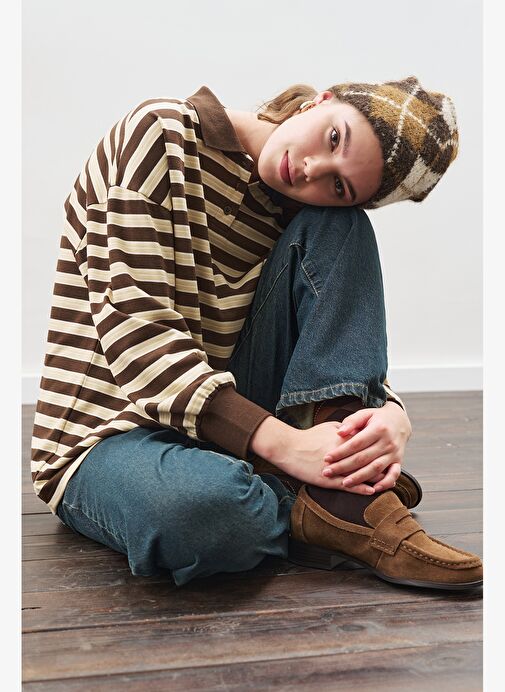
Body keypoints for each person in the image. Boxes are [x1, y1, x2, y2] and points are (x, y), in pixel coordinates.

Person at [30, 76, 482, 590]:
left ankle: (341, 494)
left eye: (339, 186)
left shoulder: (309, 213)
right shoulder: (160, 134)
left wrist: (390, 414)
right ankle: (334, 499)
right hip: (108, 435)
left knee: (344, 228)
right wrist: (288, 447)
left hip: (231, 425)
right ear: (321, 101)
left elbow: (327, 341)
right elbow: (137, 333)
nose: (312, 170)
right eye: (334, 138)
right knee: (209, 517)